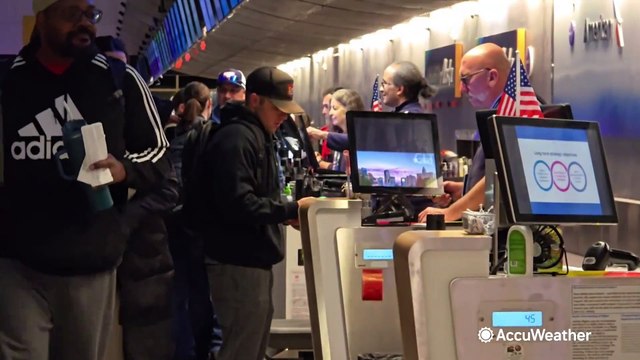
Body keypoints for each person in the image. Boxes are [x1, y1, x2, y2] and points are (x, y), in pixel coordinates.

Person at [0, 1, 170, 360]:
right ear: (41, 17)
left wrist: (123, 169)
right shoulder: (9, 81)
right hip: (17, 262)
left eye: (89, 15)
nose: (85, 25)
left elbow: (159, 154)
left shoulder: (118, 79)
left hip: (89, 261)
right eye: (70, 14)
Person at [202, 66, 315, 360]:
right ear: (254, 101)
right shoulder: (237, 139)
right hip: (237, 261)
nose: (283, 116)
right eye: (277, 108)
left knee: (251, 348)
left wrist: (284, 214)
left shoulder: (257, 134)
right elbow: (238, 203)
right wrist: (289, 209)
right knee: (241, 348)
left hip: (251, 259)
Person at [419, 42, 511, 222]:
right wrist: (463, 189)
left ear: (492, 76)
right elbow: (496, 184)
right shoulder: (496, 115)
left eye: (466, 79)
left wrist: (450, 213)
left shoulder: (519, 112)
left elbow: (503, 176)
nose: (461, 89)